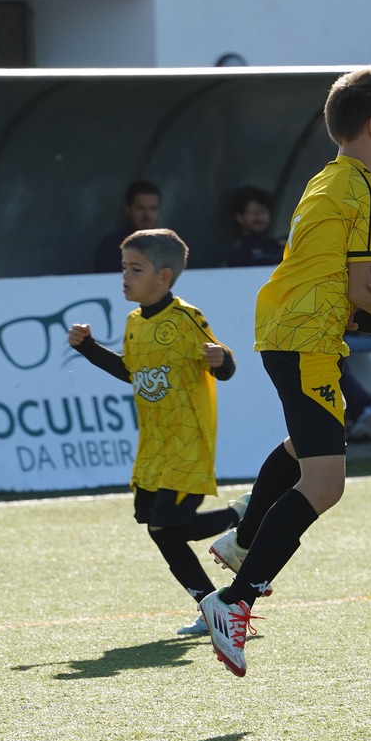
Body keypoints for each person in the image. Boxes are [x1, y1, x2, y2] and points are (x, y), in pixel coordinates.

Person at [198, 68, 371, 677]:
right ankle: (234, 601)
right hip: (307, 340)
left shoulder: (328, 178)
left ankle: (243, 538)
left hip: (286, 330)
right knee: (325, 483)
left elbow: (353, 283)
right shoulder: (369, 191)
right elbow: (365, 291)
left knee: (308, 445)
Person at [68, 227, 244, 636]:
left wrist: (222, 359)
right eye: (124, 267)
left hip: (187, 443)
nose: (125, 276)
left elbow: (225, 367)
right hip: (153, 446)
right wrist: (88, 348)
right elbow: (132, 372)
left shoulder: (185, 317)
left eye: (136, 268)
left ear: (164, 276)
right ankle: (215, 601)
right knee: (154, 523)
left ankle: (241, 522)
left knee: (164, 528)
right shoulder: (134, 322)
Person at [92, 180, 162, 273]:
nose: (147, 215)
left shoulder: (168, 245)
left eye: (153, 208)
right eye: (140, 208)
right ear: (128, 209)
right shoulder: (112, 246)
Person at [225, 185, 286, 267]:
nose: (259, 217)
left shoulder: (281, 249)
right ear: (239, 217)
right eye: (253, 212)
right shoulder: (235, 253)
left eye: (263, 212)